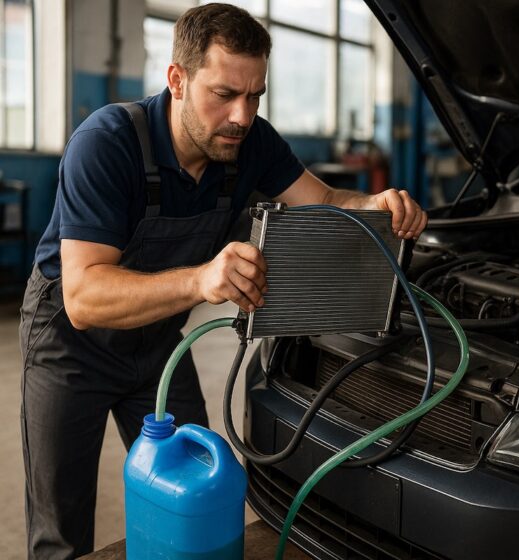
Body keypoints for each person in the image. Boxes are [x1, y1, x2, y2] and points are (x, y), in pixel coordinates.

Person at [18, 3, 427, 558]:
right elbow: (84, 297)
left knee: (201, 495)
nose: (242, 115)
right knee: (61, 533)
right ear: (177, 80)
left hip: (158, 345)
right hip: (69, 349)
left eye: (255, 95)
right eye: (225, 94)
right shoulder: (107, 142)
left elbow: (326, 200)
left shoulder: (251, 142)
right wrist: (201, 280)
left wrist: (375, 205)